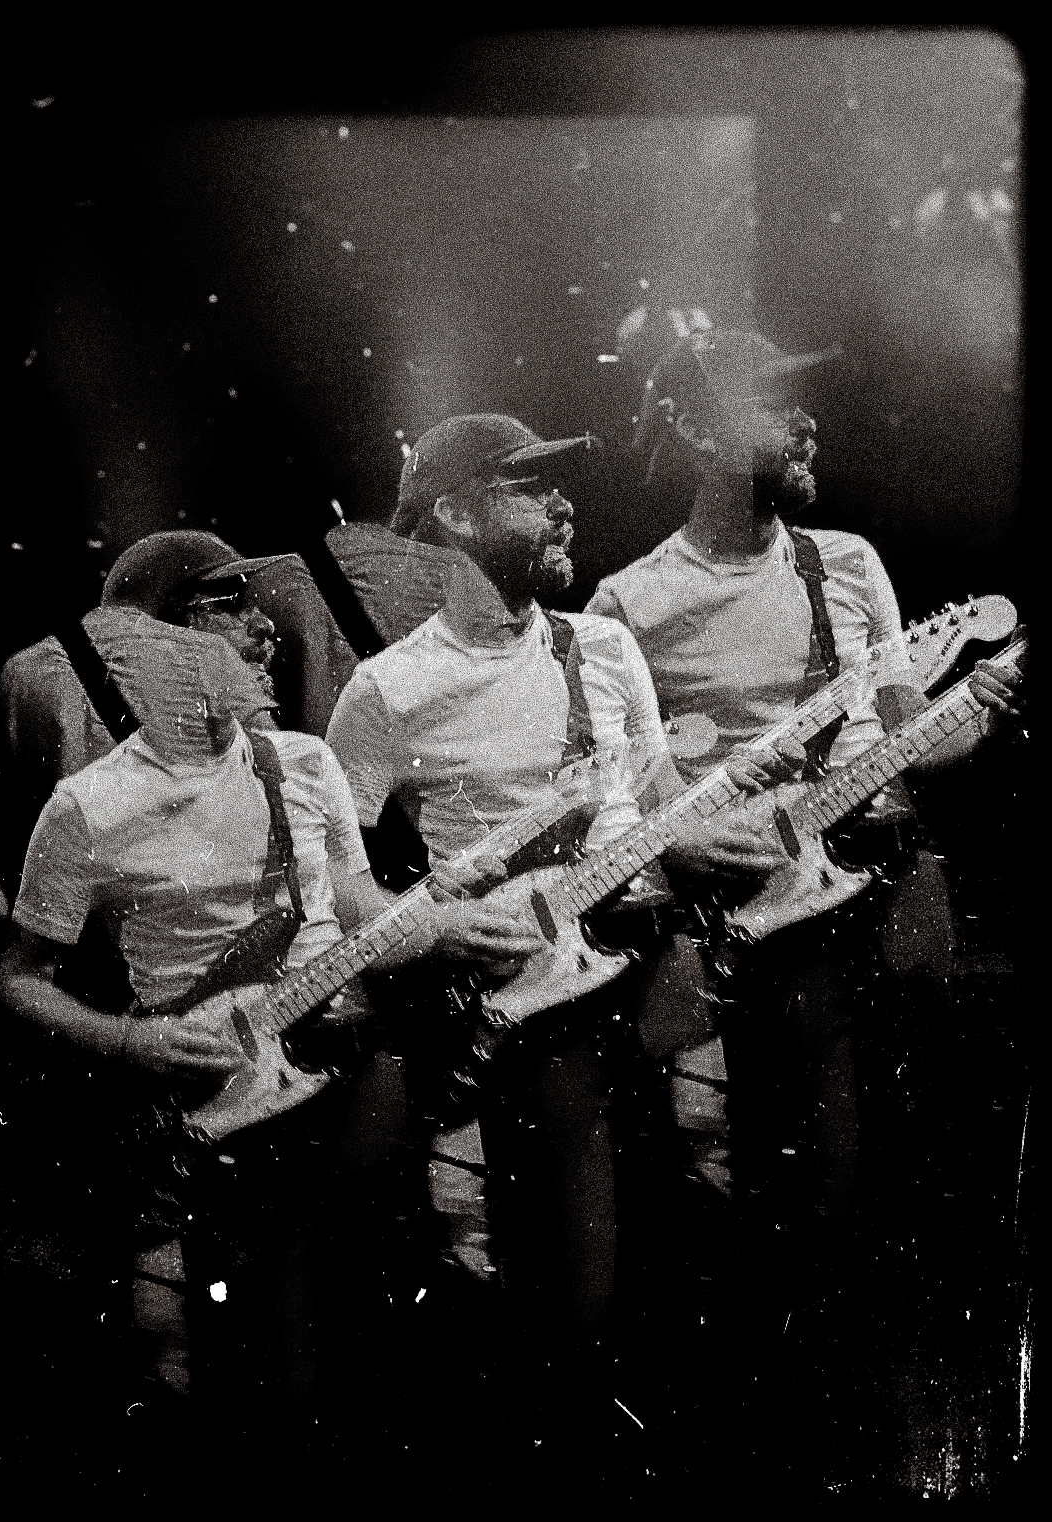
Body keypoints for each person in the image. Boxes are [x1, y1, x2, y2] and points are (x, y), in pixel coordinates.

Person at [0, 528, 540, 1442]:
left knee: (391, 1307)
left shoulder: (305, 761)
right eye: (229, 607)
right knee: (270, 1357)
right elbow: (18, 980)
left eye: (258, 602)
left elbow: (356, 909)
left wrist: (440, 924)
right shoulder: (90, 806)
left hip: (355, 1067)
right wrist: (138, 1042)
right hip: (228, 1096)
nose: (267, 627)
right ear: (161, 640)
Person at [324, 413, 787, 1449]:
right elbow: (337, 881)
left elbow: (662, 800)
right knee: (578, 1250)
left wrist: (726, 834)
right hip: (531, 993)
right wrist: (439, 925)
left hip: (656, 961)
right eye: (527, 485)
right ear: (453, 511)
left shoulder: (605, 646)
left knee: (701, 1210)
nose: (563, 501)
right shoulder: (389, 688)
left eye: (555, 485)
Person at [585, 329, 1023, 1256]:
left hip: (896, 879)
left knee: (925, 1144)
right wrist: (687, 845)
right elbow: (614, 796)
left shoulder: (848, 562)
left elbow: (913, 737)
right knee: (802, 1182)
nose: (805, 423)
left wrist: (976, 707)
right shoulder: (630, 603)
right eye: (774, 404)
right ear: (702, 433)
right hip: (767, 911)